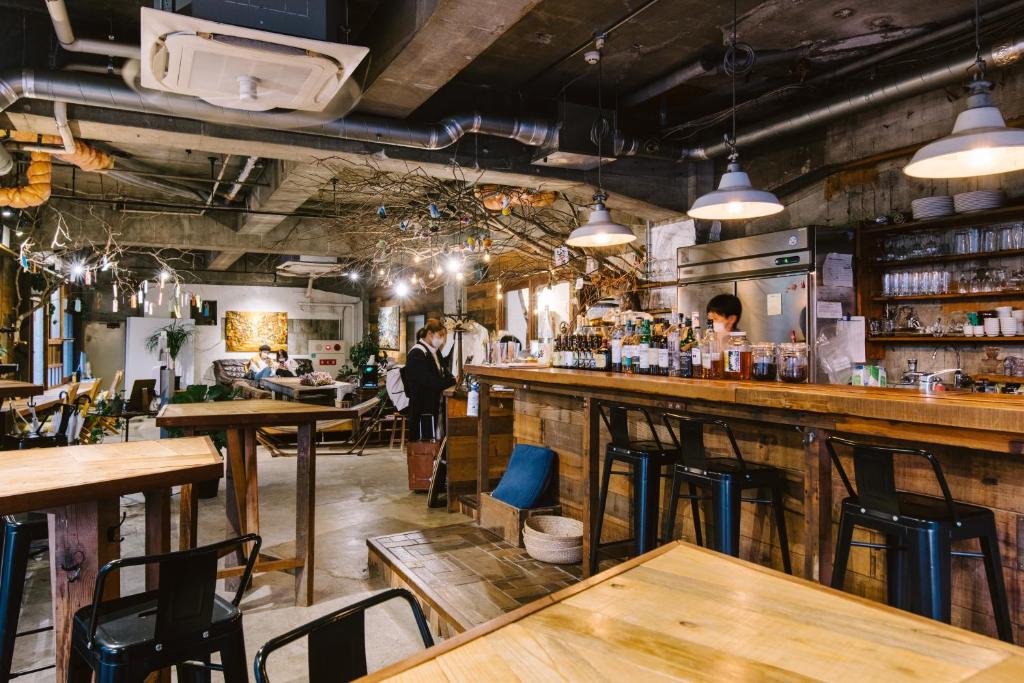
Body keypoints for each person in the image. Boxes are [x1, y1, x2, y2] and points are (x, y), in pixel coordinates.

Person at [404, 319, 455, 441]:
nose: (442, 339)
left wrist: (452, 378)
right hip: (422, 405)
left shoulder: (434, 351)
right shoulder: (417, 353)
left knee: (435, 439)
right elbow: (429, 381)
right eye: (441, 335)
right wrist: (451, 381)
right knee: (423, 444)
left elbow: (443, 371)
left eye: (444, 336)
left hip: (434, 403)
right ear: (430, 334)